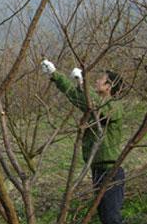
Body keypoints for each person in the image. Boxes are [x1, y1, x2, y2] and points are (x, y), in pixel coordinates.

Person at [41, 60, 125, 224]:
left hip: (111, 171)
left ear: (109, 86)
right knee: (105, 217)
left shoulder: (115, 106)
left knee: (111, 219)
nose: (97, 80)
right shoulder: (94, 105)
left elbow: (101, 108)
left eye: (101, 79)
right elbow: (74, 95)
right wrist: (55, 74)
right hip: (98, 169)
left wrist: (82, 83)